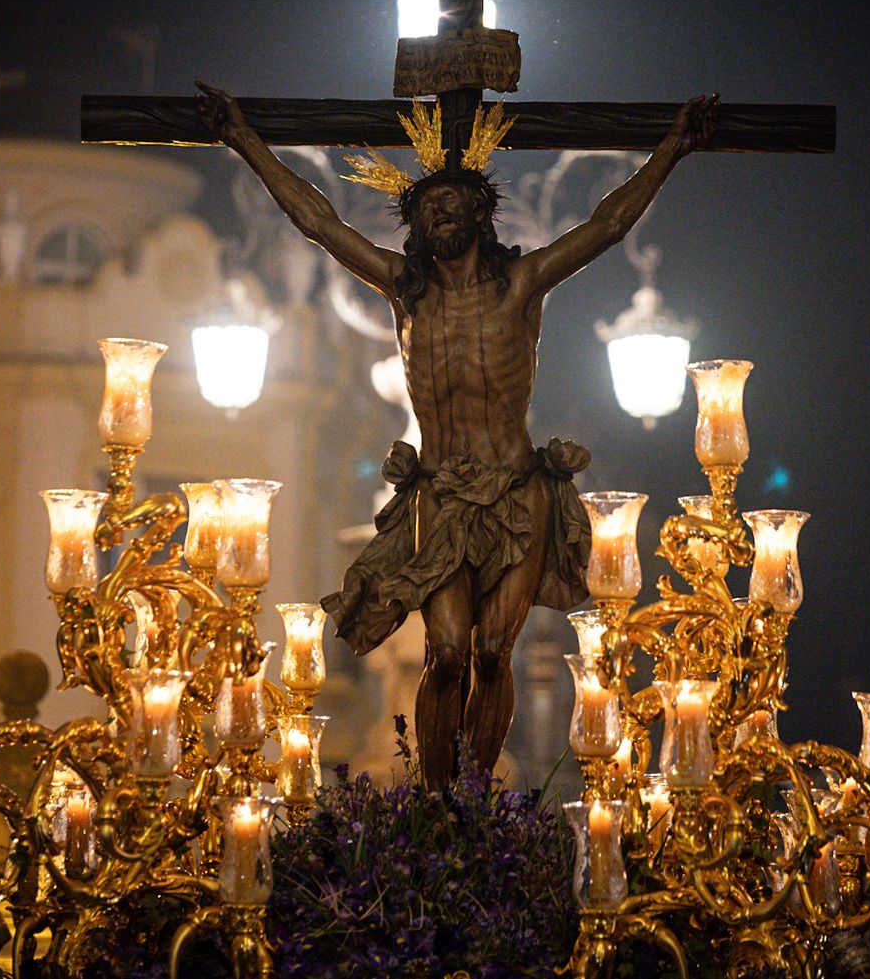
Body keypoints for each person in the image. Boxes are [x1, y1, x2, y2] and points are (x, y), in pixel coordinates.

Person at [197, 85, 716, 786]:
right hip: (439, 496)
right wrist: (245, 141)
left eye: (451, 205)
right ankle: (435, 797)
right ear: (414, 226)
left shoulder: (521, 284)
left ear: (481, 213)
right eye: (426, 210)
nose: (439, 216)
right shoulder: (401, 289)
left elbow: (607, 225)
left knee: (495, 653)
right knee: (444, 650)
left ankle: (473, 789)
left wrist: (672, 150)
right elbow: (318, 221)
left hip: (516, 494)